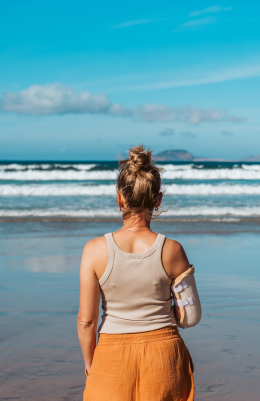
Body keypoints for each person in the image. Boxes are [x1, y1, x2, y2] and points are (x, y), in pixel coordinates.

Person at [78, 145, 197, 401]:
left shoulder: (94, 250)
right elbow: (191, 316)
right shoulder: (172, 250)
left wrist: (91, 363)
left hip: (111, 355)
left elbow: (86, 321)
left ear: (119, 198)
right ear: (158, 199)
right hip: (164, 354)